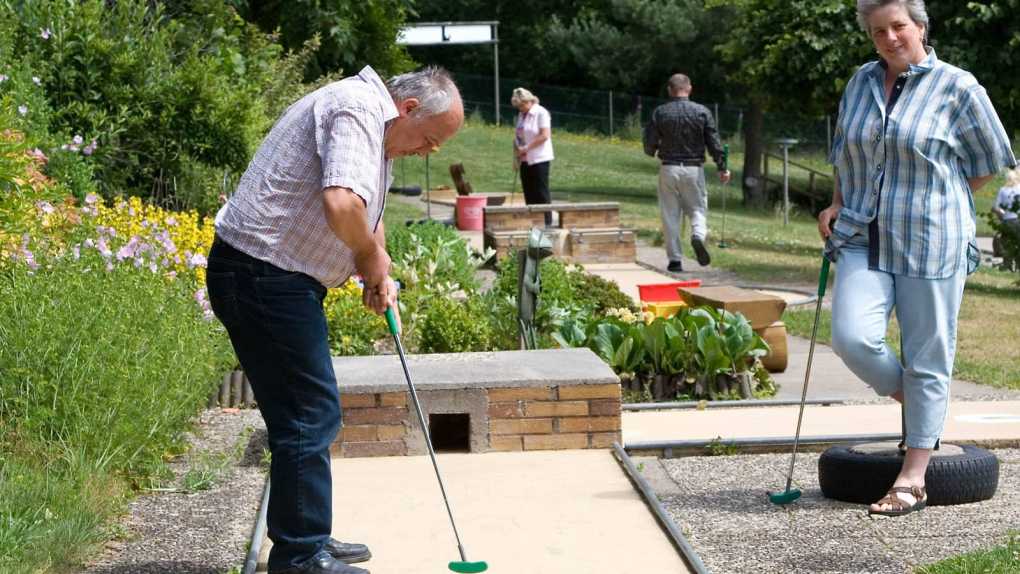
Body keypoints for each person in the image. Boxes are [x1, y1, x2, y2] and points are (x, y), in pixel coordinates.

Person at [206, 66, 464, 574]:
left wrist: (377, 267)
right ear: (408, 110)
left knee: (305, 412)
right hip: (264, 275)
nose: (428, 152)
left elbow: (365, 208)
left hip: (275, 278)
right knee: (307, 414)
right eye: (430, 140)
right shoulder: (357, 109)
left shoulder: (374, 123)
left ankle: (308, 539)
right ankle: (300, 556)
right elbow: (341, 202)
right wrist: (367, 258)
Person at [818, 0, 1015, 517]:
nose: (889, 37)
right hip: (862, 232)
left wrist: (939, 202)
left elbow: (988, 162)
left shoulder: (959, 87)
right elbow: (845, 150)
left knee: (930, 353)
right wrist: (837, 203)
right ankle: (917, 398)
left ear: (920, 28)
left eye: (898, 26)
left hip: (932, 239)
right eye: (878, 30)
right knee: (851, 336)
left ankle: (913, 477)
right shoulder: (860, 82)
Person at [643, 73, 731, 273]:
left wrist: (653, 150)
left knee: (670, 214)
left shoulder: (660, 112)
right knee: (698, 209)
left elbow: (649, 141)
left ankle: (675, 260)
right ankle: (698, 235)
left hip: (668, 167)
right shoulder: (702, 112)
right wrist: (722, 166)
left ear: (669, 90)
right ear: (689, 89)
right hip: (693, 168)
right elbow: (714, 142)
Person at [511, 87, 554, 226]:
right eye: (518, 106)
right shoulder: (521, 115)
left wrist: (526, 148)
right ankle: (533, 222)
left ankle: (547, 223)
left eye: (522, 105)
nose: (520, 108)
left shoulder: (541, 113)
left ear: (529, 101)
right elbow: (518, 135)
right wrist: (516, 153)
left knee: (540, 192)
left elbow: (544, 135)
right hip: (524, 159)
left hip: (539, 158)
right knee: (528, 192)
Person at [992, 166, 1020, 264]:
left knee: (1006, 242)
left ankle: (1007, 262)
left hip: (1007, 220)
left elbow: (995, 207)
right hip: (1018, 219)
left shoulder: (1003, 190)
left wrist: (1002, 215)